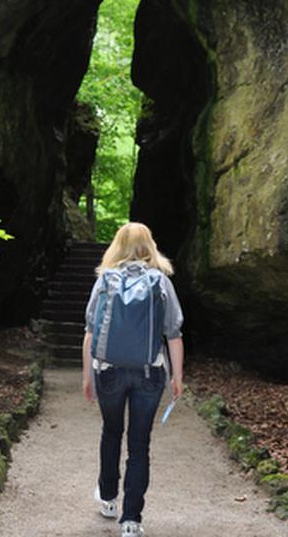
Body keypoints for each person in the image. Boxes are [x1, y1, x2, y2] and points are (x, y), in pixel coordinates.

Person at [82, 222, 185, 537]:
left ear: (117, 246)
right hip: (149, 372)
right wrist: (177, 378)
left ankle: (109, 499)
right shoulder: (161, 282)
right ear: (150, 246)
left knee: (111, 432)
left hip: (108, 370)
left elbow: (89, 331)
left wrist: (88, 375)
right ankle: (131, 522)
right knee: (139, 444)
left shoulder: (105, 281)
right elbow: (174, 334)